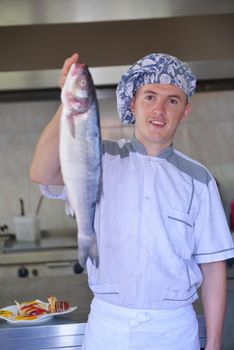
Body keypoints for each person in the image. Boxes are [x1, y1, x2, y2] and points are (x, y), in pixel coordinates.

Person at [30, 52, 234, 350]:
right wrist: (67, 101)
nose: (159, 110)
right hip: (108, 328)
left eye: (172, 100)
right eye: (150, 97)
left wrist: (214, 342)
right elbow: (42, 173)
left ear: (185, 111)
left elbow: (213, 265)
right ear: (132, 103)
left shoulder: (199, 180)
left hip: (173, 330)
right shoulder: (98, 157)